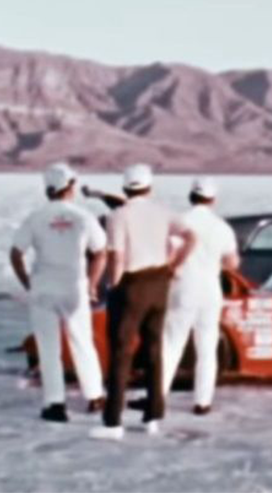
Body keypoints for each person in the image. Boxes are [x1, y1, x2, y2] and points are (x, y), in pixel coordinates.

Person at [89, 164, 196, 441]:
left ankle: (113, 422)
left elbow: (118, 256)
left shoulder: (118, 216)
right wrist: (174, 265)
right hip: (159, 284)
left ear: (125, 187)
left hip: (131, 285)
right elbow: (191, 236)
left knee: (121, 352)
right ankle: (153, 416)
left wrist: (113, 286)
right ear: (149, 187)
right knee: (153, 349)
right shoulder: (163, 213)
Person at [10, 163, 107, 423]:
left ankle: (55, 404)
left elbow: (16, 253)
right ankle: (95, 396)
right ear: (71, 186)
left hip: (43, 287)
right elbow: (100, 252)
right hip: (74, 287)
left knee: (48, 348)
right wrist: (93, 283)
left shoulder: (36, 217)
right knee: (82, 342)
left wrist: (27, 282)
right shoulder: (83, 217)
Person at [160, 178, 239, 416]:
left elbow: (169, 253)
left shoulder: (178, 222)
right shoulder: (221, 227)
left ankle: (158, 395)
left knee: (172, 344)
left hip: (182, 287)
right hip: (210, 290)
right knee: (207, 346)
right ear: (213, 199)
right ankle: (203, 401)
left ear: (190, 196)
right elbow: (232, 262)